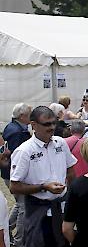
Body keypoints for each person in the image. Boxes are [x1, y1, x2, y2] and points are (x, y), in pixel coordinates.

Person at [10, 106, 77, 247]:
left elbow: (71, 170)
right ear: (33, 125)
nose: (52, 127)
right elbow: (14, 187)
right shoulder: (24, 151)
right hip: (38, 212)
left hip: (63, 209)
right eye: (47, 124)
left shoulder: (61, 143)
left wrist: (72, 194)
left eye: (54, 123)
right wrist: (43, 187)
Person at [2, 103, 32, 247]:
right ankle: (19, 240)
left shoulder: (11, 126)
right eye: (29, 114)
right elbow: (14, 156)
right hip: (14, 174)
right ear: (22, 116)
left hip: (9, 173)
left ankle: (8, 227)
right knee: (23, 206)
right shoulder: (18, 133)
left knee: (19, 204)